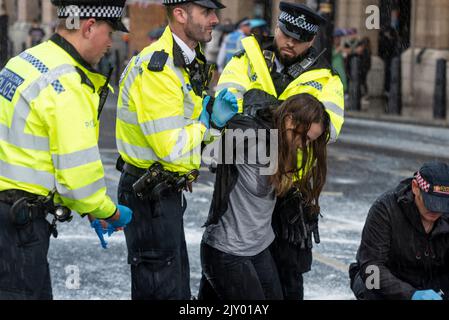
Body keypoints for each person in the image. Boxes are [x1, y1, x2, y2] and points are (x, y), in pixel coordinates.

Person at [0, 0, 132, 300]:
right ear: (88, 27)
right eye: (109, 32)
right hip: (21, 226)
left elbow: (34, 147)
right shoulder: (66, 83)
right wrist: (108, 212)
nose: (110, 43)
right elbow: (79, 179)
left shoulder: (24, 61)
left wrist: (87, 211)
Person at [213, 2, 345, 300]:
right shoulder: (247, 57)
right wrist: (284, 117)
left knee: (287, 278)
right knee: (230, 268)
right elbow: (227, 103)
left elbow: (329, 128)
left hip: (290, 190)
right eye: (286, 34)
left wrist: (263, 110)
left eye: (299, 40)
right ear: (277, 28)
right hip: (243, 181)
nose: (290, 42)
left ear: (311, 41)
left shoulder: (326, 77)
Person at [116, 0, 231, 300]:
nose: (215, 19)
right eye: (207, 12)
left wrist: (210, 126)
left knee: (175, 290)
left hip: (164, 192)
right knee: (161, 291)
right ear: (180, 14)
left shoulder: (188, 60)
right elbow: (171, 146)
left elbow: (187, 137)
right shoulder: (160, 67)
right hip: (148, 196)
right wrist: (208, 123)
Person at [199, 93, 330, 300]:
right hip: (227, 252)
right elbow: (210, 155)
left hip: (258, 249)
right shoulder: (251, 136)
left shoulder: (282, 144)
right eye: (305, 137)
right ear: (289, 121)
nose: (304, 145)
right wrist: (215, 124)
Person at [349, 161, 449, 300]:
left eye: (442, 205)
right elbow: (371, 266)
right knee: (370, 285)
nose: (435, 210)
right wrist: (411, 295)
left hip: (433, 282)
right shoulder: (385, 209)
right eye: (430, 203)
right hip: (392, 280)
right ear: (415, 187)